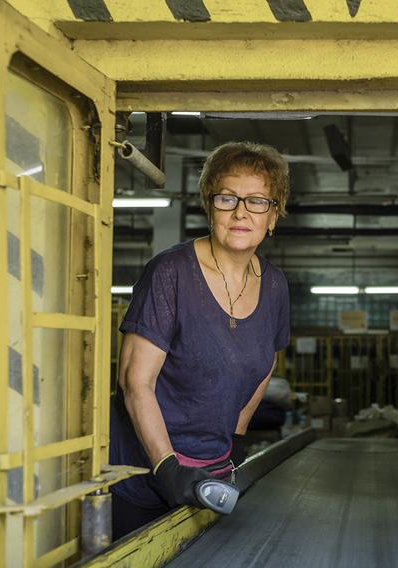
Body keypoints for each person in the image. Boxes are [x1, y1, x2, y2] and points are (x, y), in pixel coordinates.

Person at [109, 142, 291, 539]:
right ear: (210, 208)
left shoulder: (275, 285)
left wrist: (237, 439)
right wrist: (166, 467)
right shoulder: (170, 273)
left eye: (258, 201)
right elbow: (134, 381)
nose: (241, 211)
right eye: (228, 198)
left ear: (273, 216)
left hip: (212, 467)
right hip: (145, 471)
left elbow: (264, 365)